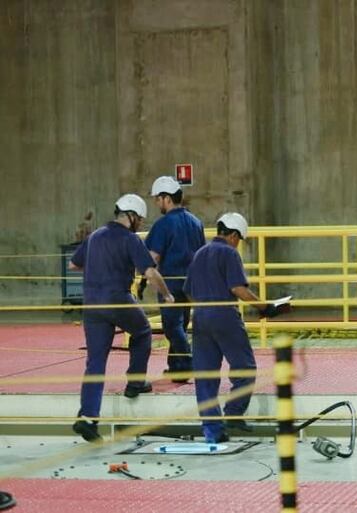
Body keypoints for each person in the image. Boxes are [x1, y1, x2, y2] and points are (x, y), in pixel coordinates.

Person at [69, 194, 175, 443]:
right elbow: (150, 272)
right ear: (133, 217)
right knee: (142, 331)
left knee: (95, 362)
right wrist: (167, 295)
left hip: (92, 305)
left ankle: (88, 418)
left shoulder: (94, 236)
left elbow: (74, 265)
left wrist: (99, 268)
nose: (140, 223)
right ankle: (135, 382)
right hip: (118, 299)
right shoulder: (130, 239)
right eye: (140, 219)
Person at [183, 212, 280, 443]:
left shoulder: (199, 254)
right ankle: (234, 414)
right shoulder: (229, 253)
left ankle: (213, 431)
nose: (239, 244)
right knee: (244, 368)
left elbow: (187, 290)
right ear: (234, 235)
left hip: (200, 318)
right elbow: (238, 288)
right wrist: (265, 307)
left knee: (205, 376)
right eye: (239, 239)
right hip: (225, 316)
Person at [143, 176, 205, 383]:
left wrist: (144, 276)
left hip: (169, 282)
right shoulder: (196, 222)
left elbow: (152, 257)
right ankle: (177, 367)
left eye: (157, 199)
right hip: (192, 282)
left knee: (171, 326)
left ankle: (188, 363)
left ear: (166, 198)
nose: (156, 203)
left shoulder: (163, 224)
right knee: (181, 324)